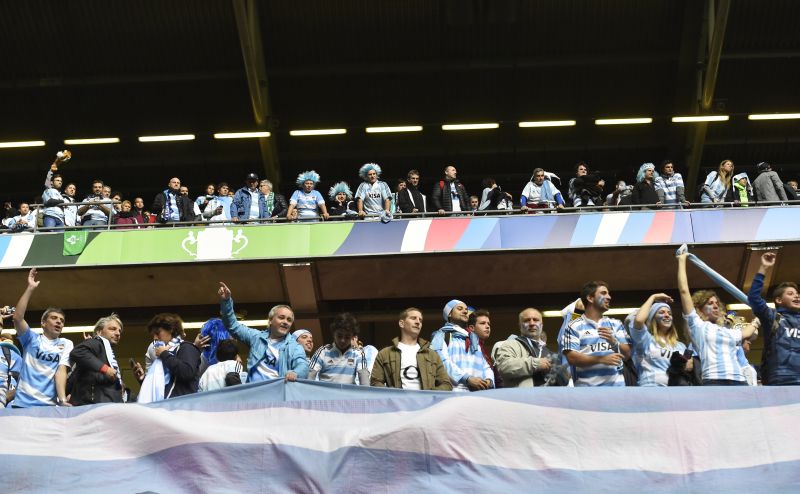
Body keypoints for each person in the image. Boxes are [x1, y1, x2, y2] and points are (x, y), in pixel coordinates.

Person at [676, 251, 756, 385]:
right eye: (710, 303)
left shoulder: (727, 331)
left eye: (717, 304)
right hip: (713, 380)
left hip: (739, 381)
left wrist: (758, 317)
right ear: (699, 309)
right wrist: (681, 260)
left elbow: (747, 332)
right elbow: (684, 291)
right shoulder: (697, 326)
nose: (715, 306)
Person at [217, 282, 308, 381]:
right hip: (254, 392)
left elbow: (303, 365)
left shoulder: (295, 347)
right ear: (270, 320)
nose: (285, 322)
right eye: (281, 318)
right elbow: (232, 325)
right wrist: (226, 301)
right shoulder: (256, 337)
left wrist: (295, 373)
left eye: (289, 320)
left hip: (278, 393)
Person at [11, 268, 73, 407]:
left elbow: (61, 371)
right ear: (43, 323)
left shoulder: (66, 343)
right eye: (54, 318)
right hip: (23, 404)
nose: (59, 322)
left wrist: (62, 400)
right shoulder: (31, 338)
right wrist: (30, 288)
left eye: (61, 320)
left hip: (48, 406)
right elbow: (17, 318)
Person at [560, 281, 631, 386]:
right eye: (603, 293)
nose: (609, 297)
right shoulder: (573, 326)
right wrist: (601, 359)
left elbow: (627, 355)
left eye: (608, 293)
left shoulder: (616, 324)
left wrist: (614, 342)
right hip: (587, 392)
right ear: (590, 298)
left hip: (617, 390)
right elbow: (572, 358)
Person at [747, 251, 800, 385]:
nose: (797, 296)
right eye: (790, 293)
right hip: (779, 378)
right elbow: (753, 298)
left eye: (798, 294)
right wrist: (763, 268)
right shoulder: (772, 317)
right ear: (779, 300)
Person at [370, 308, 451, 390]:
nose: (418, 322)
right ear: (402, 323)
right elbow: (375, 382)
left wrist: (429, 395)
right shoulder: (385, 354)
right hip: (396, 402)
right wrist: (392, 397)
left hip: (426, 402)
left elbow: (446, 384)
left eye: (420, 320)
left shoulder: (432, 355)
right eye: (413, 318)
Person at [430, 299, 493, 392]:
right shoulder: (441, 335)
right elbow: (442, 361)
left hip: (479, 394)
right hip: (454, 393)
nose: (464, 311)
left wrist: (489, 380)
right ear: (449, 314)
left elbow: (485, 365)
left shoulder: (473, 338)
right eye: (460, 309)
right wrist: (467, 378)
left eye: (466, 310)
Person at [62, 314, 125, 405]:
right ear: (99, 332)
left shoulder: (106, 351)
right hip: (94, 407)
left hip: (103, 405)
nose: (118, 333)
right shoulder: (97, 343)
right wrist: (105, 369)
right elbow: (78, 352)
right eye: (112, 329)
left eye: (119, 331)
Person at [138, 313, 200, 401]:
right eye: (153, 335)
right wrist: (142, 379)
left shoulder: (186, 347)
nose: (155, 338)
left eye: (157, 333)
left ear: (170, 330)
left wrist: (164, 354)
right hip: (165, 407)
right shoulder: (163, 355)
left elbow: (187, 372)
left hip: (182, 407)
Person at [630, 294, 689, 387]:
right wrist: (653, 297)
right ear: (652, 318)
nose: (666, 315)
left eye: (669, 313)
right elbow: (638, 320)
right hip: (650, 389)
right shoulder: (646, 339)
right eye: (661, 312)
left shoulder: (681, 346)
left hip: (676, 392)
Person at [494, 308, 556, 388]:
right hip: (521, 399)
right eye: (527, 320)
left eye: (535, 320)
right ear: (520, 325)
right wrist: (536, 364)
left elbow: (562, 383)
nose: (531, 323)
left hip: (546, 399)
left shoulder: (550, 353)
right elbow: (504, 367)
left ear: (541, 324)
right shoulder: (510, 345)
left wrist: (560, 374)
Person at [308, 313, 370, 385]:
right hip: (326, 395)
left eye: (347, 337)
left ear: (353, 336)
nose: (342, 340)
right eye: (339, 336)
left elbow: (364, 378)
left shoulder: (358, 354)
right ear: (334, 334)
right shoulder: (323, 351)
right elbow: (310, 374)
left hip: (349, 395)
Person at [42, 151, 72, 228]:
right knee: (50, 236)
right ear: (52, 182)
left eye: (61, 181)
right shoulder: (49, 188)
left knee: (59, 239)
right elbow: (50, 202)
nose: (60, 182)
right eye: (57, 180)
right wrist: (51, 170)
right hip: (50, 216)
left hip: (60, 218)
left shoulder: (60, 195)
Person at [0, 309, 22, 407]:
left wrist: (12, 393)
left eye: (0, 325)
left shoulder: (10, 354)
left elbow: (29, 382)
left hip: (4, 414)